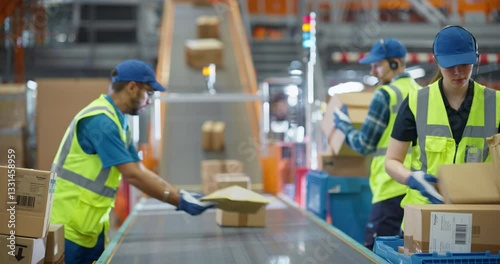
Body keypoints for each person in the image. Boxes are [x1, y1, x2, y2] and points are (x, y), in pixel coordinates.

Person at [50, 59, 215, 264]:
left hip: (91, 225)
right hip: (68, 227)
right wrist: (179, 201)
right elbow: (132, 175)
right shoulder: (101, 122)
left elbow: (139, 169)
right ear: (131, 88)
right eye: (149, 93)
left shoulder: (119, 122)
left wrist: (180, 193)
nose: (149, 100)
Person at [385, 26, 500, 212]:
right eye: (450, 65)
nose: (458, 71)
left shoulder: (496, 104)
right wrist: (413, 179)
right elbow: (391, 161)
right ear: (437, 61)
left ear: (475, 58)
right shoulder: (416, 102)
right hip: (423, 213)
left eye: (464, 63)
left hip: (475, 213)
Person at [333, 38, 421, 250]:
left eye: (377, 65)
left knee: (377, 249)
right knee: (405, 250)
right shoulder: (421, 92)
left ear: (395, 63)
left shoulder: (385, 95)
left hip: (389, 186)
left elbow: (364, 145)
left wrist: (344, 127)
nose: (373, 72)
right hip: (415, 187)